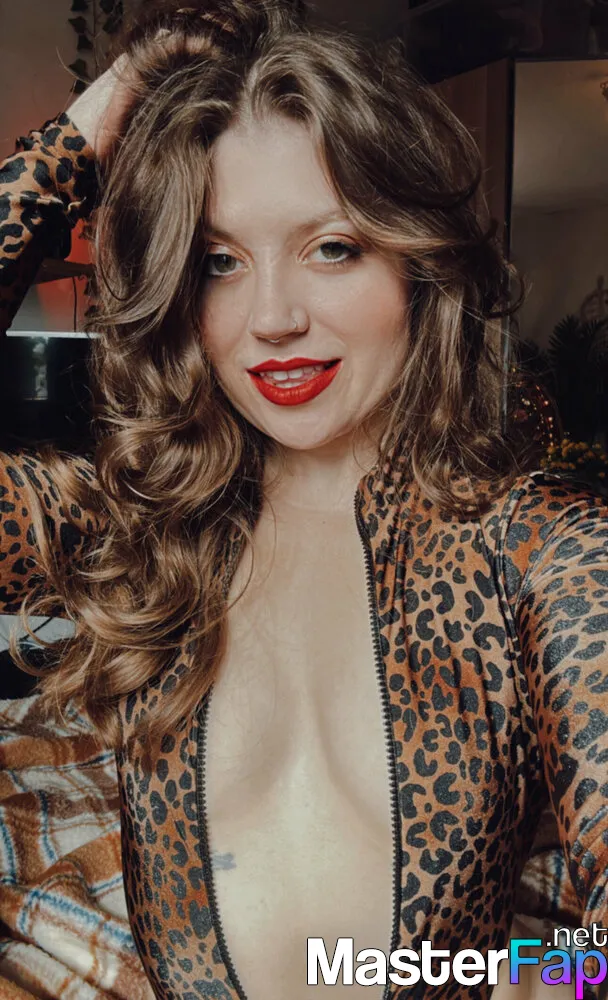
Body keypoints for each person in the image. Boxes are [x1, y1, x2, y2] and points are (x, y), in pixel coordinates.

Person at [0, 2, 605, 998]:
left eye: (332, 247)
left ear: (417, 261)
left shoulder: (542, 552)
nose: (272, 317)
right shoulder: (138, 530)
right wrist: (81, 135)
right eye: (220, 261)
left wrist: (514, 976)